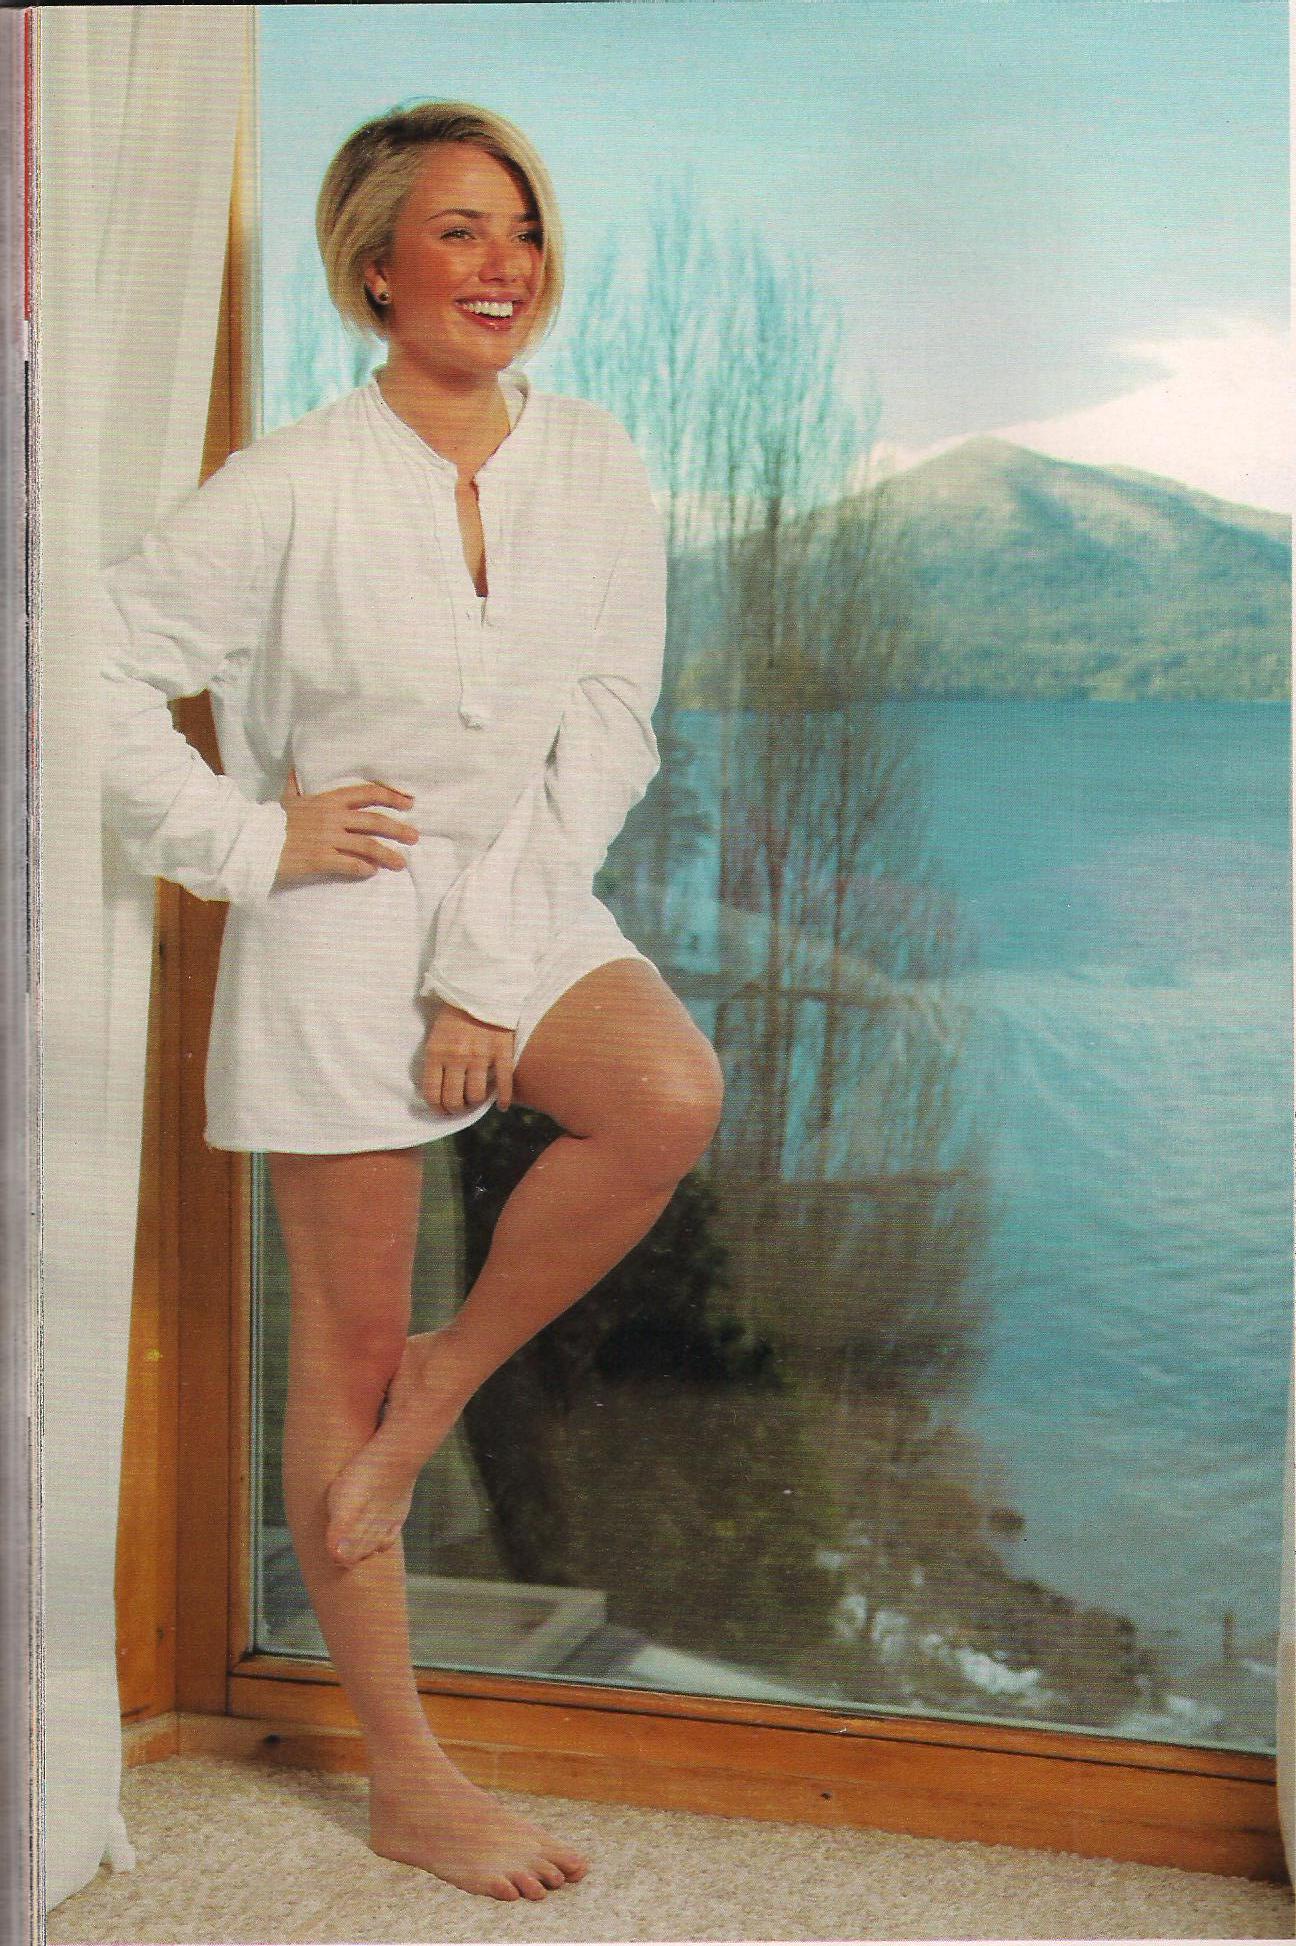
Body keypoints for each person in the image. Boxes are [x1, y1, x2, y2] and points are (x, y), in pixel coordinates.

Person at [101, 100, 725, 1905]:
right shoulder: (290, 480)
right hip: (334, 913)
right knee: (342, 1349)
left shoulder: (593, 458)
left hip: (519, 885)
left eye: (521, 227)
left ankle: (444, 1387)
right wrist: (246, 838)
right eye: (459, 230)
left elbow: (607, 724)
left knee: (665, 1095)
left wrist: (484, 970)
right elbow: (85, 669)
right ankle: (410, 1778)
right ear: (376, 267)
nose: (503, 262)